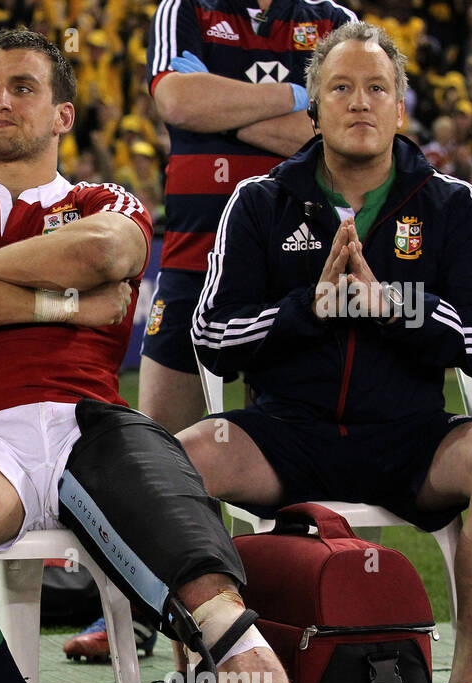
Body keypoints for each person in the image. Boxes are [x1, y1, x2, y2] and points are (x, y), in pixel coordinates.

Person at [0, 27, 419, 683]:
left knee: (201, 574)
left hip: (92, 424)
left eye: (21, 86)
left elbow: (108, 249)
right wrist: (54, 300)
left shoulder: (104, 201)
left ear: (62, 114)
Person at [181, 21, 472, 683]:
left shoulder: (450, 203)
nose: (360, 102)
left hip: (408, 435)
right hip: (287, 433)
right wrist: (309, 306)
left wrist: (392, 306)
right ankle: (202, 678)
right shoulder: (258, 200)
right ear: (313, 107)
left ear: (401, 107)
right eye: (340, 88)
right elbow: (213, 338)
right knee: (176, 459)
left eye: (378, 88)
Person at [139, 0, 357, 436]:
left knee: (294, 447)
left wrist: (218, 113)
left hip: (303, 262)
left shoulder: (334, 21)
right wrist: (298, 96)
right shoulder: (183, 9)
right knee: (156, 446)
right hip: (194, 256)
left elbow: (343, 136)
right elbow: (179, 102)